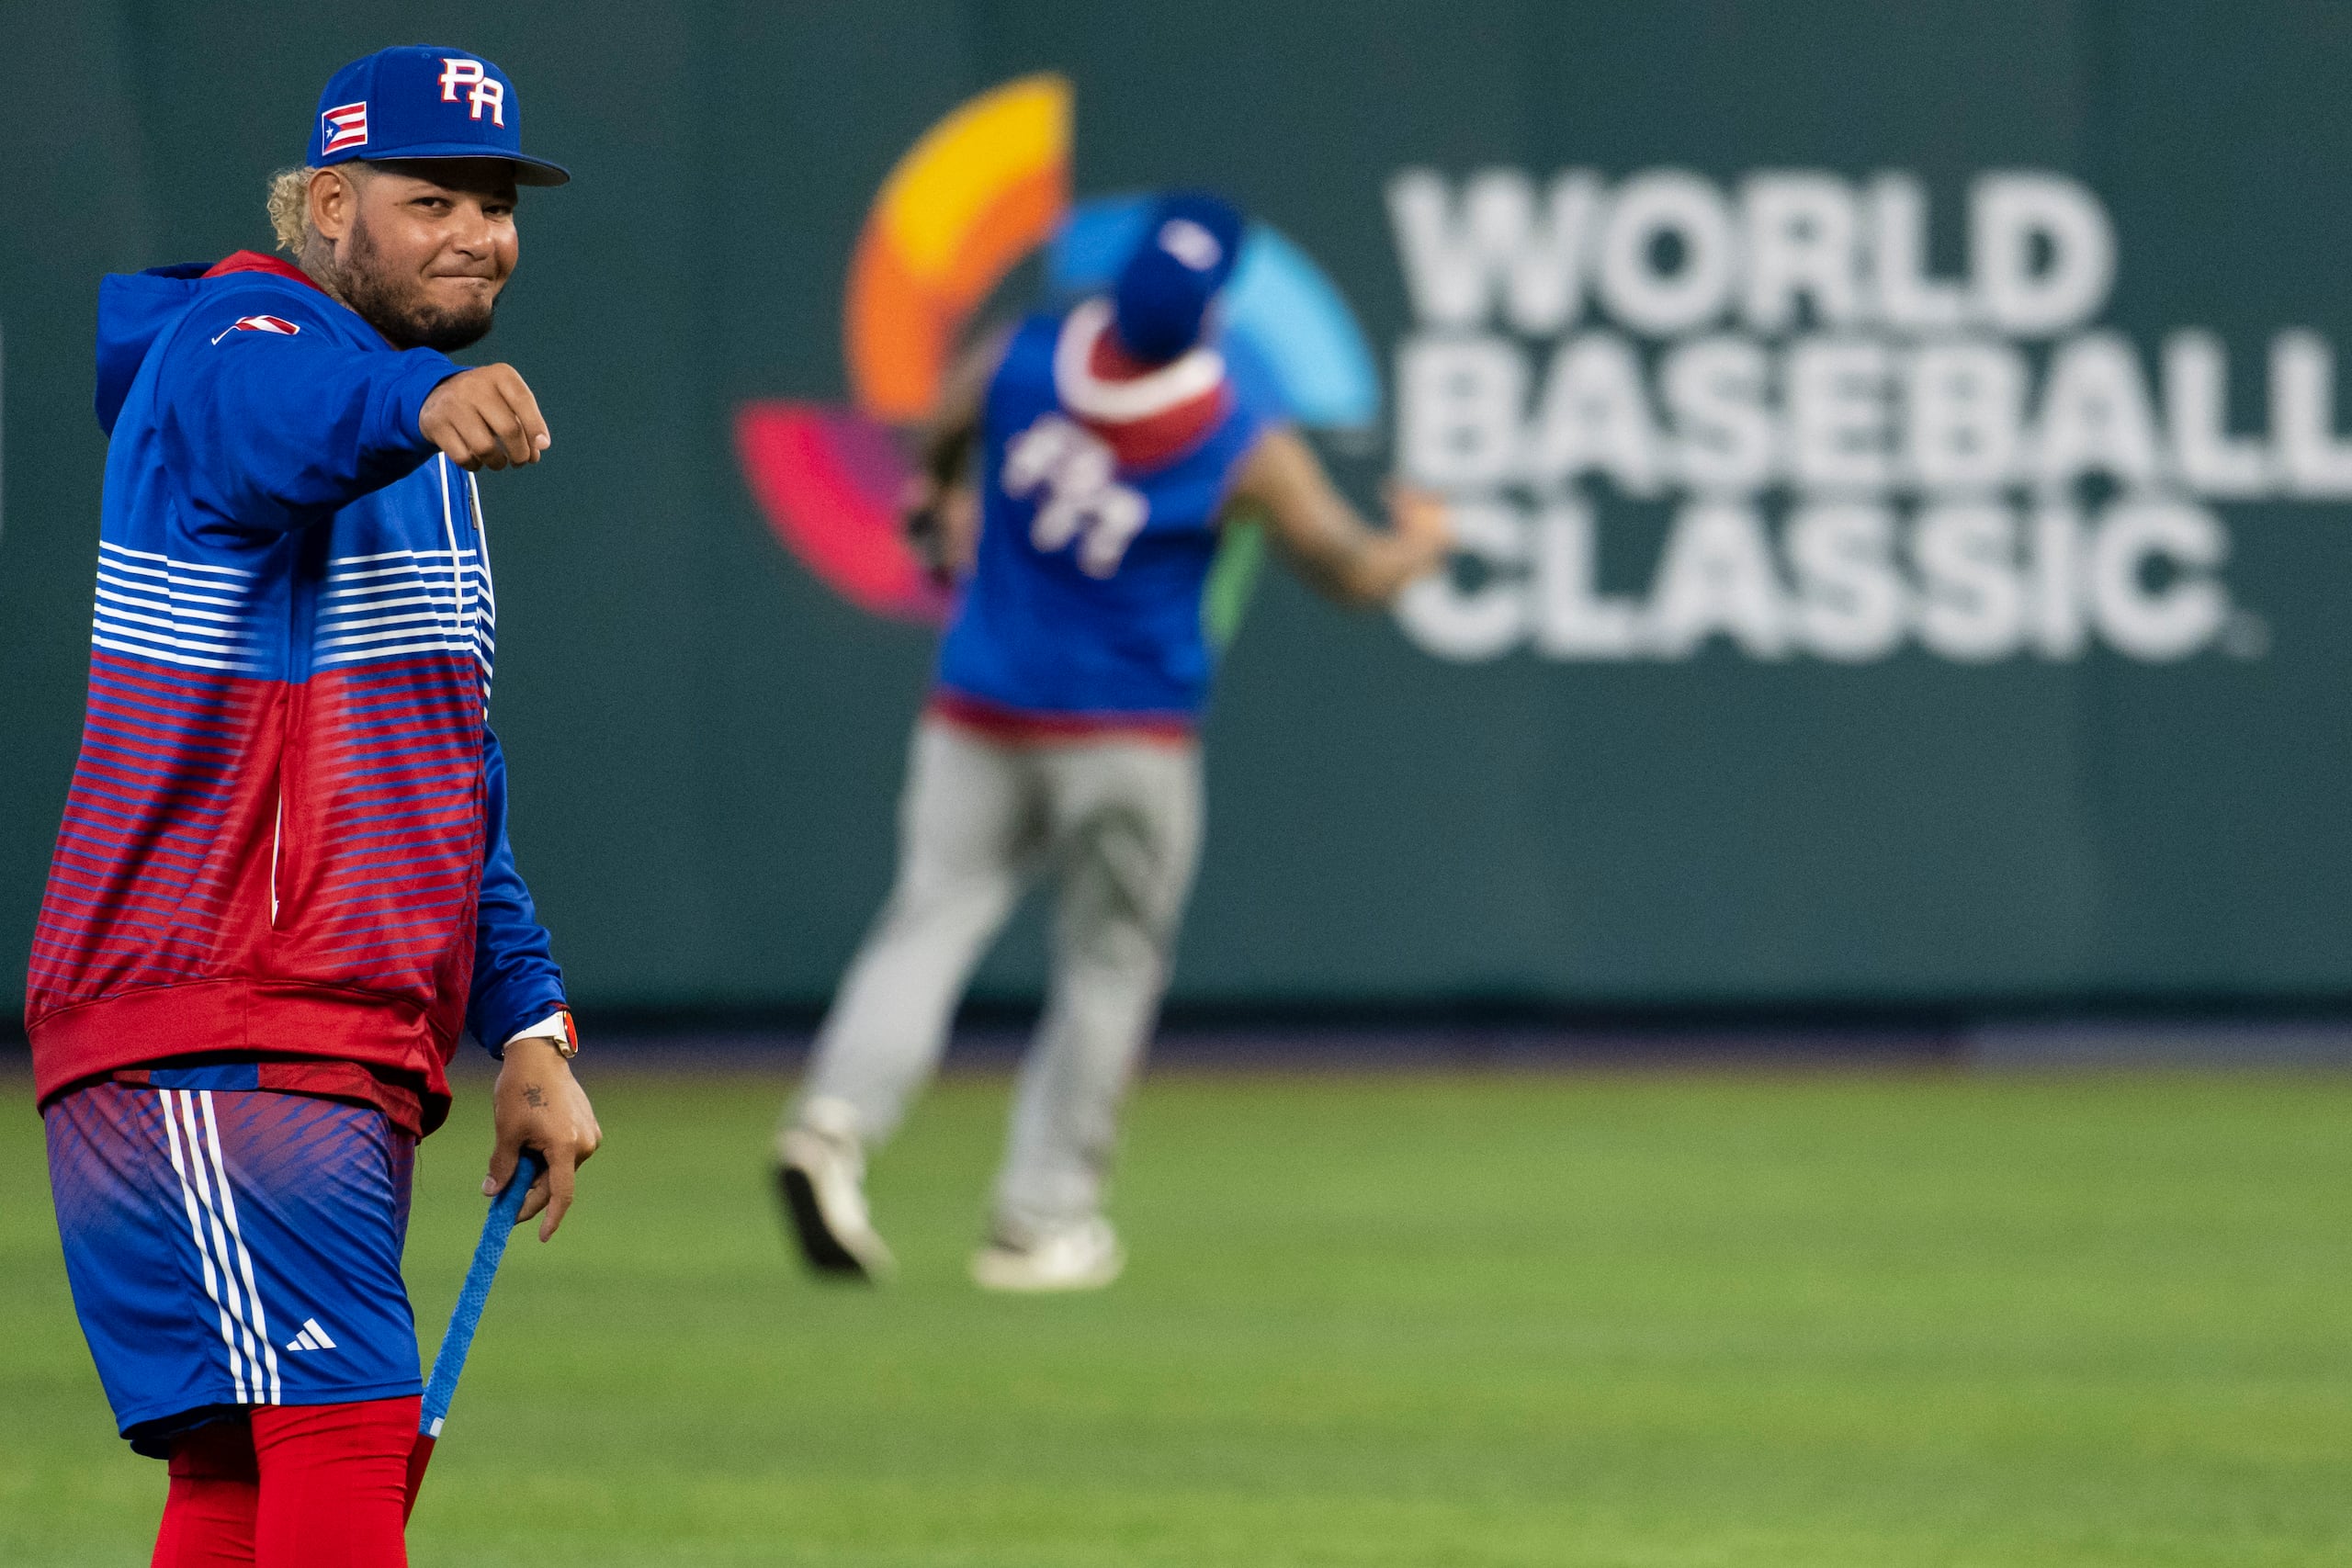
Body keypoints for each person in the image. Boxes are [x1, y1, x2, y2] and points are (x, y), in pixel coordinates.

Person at [24, 46, 601, 1568]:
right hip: (216, 1020)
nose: (479, 232)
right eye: (433, 201)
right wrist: (424, 397)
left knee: (240, 1480)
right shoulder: (240, 341)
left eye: (495, 201)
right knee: (346, 1437)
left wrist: (528, 1029)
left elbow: (441, 784)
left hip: (297, 1032)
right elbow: (280, 411)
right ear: (331, 204)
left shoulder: (415, 442)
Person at [775, 193, 1451, 1292]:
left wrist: (935, 500)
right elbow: (1353, 573)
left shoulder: (1025, 354)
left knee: (929, 926)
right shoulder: (1237, 434)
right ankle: (1038, 1221)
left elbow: (942, 434)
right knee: (1107, 964)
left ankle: (832, 1125)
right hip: (1126, 738)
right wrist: (1420, 543)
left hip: (981, 710)